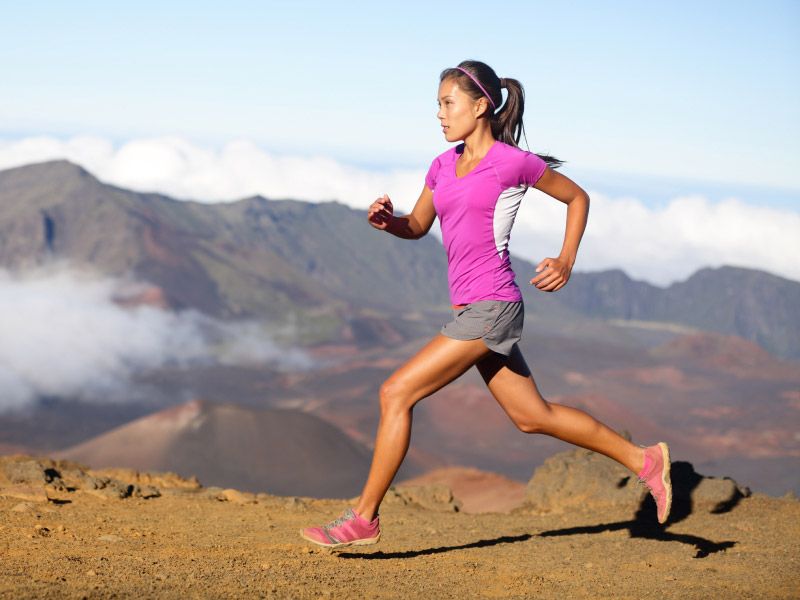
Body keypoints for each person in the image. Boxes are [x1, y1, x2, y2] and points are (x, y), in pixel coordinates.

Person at [300, 59, 671, 549]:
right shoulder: (442, 166)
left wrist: (565, 259)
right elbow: (417, 226)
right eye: (437, 105)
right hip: (471, 309)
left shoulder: (512, 163)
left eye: (447, 103)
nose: (439, 114)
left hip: (494, 305)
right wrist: (388, 221)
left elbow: (577, 198)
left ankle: (364, 518)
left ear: (480, 106)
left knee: (396, 393)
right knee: (532, 416)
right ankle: (645, 461)